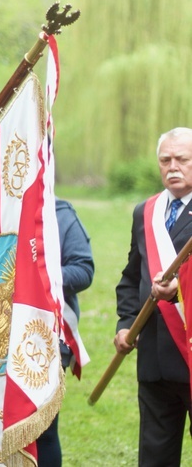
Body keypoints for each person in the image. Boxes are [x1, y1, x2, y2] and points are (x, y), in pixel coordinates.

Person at [114, 127, 192, 466]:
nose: (172, 167)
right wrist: (126, 324)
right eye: (165, 160)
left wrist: (179, 295)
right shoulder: (144, 212)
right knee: (155, 454)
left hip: (190, 353)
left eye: (182, 159)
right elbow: (132, 278)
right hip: (155, 358)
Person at [35, 197, 94, 466]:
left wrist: (34, 279)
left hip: (46, 338)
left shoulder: (59, 213)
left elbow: (83, 269)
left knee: (42, 431)